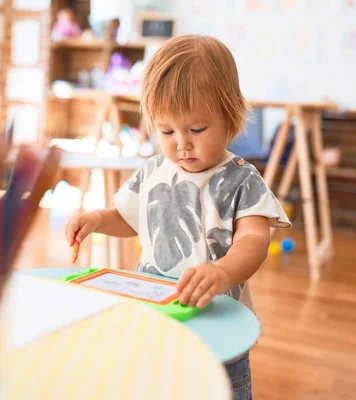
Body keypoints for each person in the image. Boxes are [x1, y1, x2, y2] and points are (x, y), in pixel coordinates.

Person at [65, 34, 291, 399]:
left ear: (230, 116)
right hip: (156, 316)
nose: (181, 144)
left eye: (197, 130)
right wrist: (97, 218)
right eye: (166, 130)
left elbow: (254, 239)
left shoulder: (241, 179)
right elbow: (129, 218)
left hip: (218, 325)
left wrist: (223, 271)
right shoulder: (155, 168)